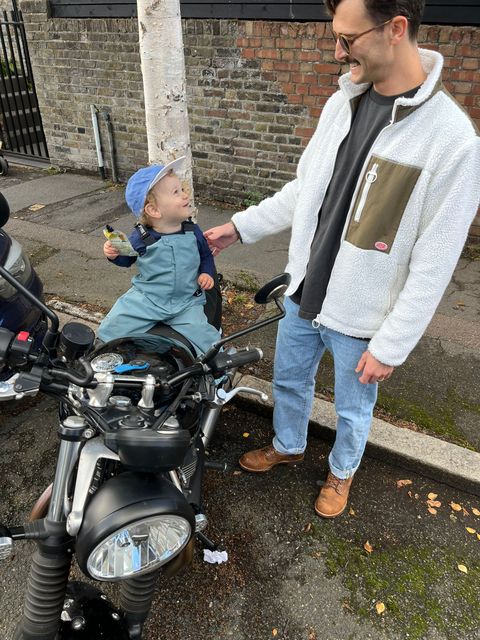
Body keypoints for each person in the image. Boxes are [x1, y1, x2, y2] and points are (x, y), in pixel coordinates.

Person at [204, 0, 480, 518]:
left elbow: (435, 262)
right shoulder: (342, 103)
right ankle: (288, 445)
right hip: (303, 290)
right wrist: (239, 227)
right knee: (289, 380)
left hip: (361, 316)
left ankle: (342, 471)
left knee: (354, 408)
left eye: (347, 39)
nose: (337, 52)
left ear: (396, 28)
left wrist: (392, 345)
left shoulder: (453, 141)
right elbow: (305, 190)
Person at [98, 157, 220, 355]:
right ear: (153, 210)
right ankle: (102, 358)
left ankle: (218, 366)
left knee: (207, 338)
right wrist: (113, 255)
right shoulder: (141, 237)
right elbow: (127, 259)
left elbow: (206, 255)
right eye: (176, 192)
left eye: (182, 189)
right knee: (111, 327)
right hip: (148, 300)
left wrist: (206, 272)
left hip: (186, 302)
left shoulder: (193, 231)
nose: (185, 195)